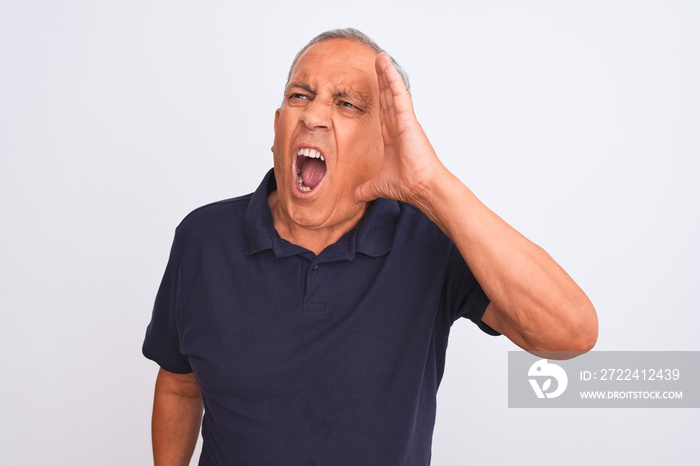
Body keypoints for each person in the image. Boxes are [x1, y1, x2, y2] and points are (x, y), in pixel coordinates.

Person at [143, 28, 597, 465]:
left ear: (385, 143)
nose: (314, 115)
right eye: (300, 96)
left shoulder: (428, 241)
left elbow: (570, 335)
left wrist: (432, 186)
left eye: (347, 104)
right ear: (279, 127)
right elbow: (180, 386)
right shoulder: (203, 239)